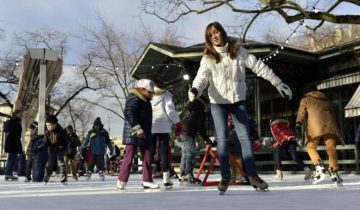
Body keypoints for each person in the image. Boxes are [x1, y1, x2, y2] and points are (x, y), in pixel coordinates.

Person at [188, 21, 292, 192]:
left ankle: (252, 175)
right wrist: (195, 89)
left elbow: (259, 67)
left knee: (245, 138)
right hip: (218, 103)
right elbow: (202, 78)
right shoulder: (208, 58)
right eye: (210, 35)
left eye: (216, 32)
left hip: (237, 101)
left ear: (221, 32)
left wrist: (277, 82)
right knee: (222, 139)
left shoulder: (238, 51)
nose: (214, 36)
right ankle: (225, 177)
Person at [296, 85, 345, 185]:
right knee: (331, 148)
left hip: (315, 127)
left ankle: (319, 166)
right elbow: (332, 114)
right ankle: (334, 171)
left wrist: (298, 123)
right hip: (329, 126)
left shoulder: (305, 99)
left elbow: (301, 112)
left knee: (310, 146)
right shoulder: (325, 99)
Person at [117, 79, 159, 190]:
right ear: (142, 89)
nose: (151, 94)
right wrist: (137, 127)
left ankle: (147, 180)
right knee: (129, 157)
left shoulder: (145, 101)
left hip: (144, 132)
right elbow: (129, 112)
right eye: (150, 92)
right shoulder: (134, 98)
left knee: (147, 156)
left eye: (152, 92)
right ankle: (121, 179)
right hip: (133, 132)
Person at [150, 75, 182, 188]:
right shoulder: (166, 95)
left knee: (151, 151)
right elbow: (170, 110)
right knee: (164, 152)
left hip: (151, 125)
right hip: (163, 126)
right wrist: (178, 122)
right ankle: (166, 179)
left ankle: (147, 177)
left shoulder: (149, 95)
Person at [178, 95, 212, 184]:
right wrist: (206, 138)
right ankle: (189, 174)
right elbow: (200, 125)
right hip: (188, 133)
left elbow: (180, 117)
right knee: (190, 154)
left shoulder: (188, 106)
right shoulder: (199, 109)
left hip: (181, 132)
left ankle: (183, 174)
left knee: (185, 153)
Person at [269, 114, 312, 181]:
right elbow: (282, 135)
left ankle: (279, 174)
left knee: (276, 153)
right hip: (291, 140)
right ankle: (307, 169)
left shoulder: (274, 125)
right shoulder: (283, 124)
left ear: (271, 120)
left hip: (286, 140)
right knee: (294, 157)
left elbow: (281, 133)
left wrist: (287, 137)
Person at [228, 115, 262, 184]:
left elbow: (250, 126)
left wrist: (256, 138)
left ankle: (246, 177)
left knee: (242, 161)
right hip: (233, 145)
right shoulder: (227, 117)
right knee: (233, 162)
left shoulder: (239, 116)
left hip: (239, 145)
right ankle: (236, 177)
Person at [34, 114, 68, 184]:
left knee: (60, 162)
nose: (48, 127)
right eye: (47, 126)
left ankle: (63, 176)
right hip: (52, 149)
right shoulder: (47, 132)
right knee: (50, 163)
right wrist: (39, 148)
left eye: (50, 125)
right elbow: (45, 142)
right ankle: (46, 177)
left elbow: (67, 140)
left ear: (55, 124)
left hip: (60, 148)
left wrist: (64, 146)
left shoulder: (61, 131)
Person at [81, 117, 113, 181]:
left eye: (97, 125)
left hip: (101, 151)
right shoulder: (91, 132)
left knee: (100, 163)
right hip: (93, 151)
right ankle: (89, 173)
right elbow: (86, 141)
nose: (96, 127)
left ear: (100, 125)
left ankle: (101, 173)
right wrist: (82, 148)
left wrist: (111, 149)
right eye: (95, 125)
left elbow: (108, 142)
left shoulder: (104, 132)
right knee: (91, 162)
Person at [3, 110, 23, 181]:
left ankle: (8, 173)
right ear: (16, 114)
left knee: (12, 158)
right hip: (13, 142)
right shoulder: (14, 121)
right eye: (19, 113)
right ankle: (8, 173)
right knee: (12, 158)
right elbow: (11, 131)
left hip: (13, 141)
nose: (21, 115)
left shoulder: (16, 121)